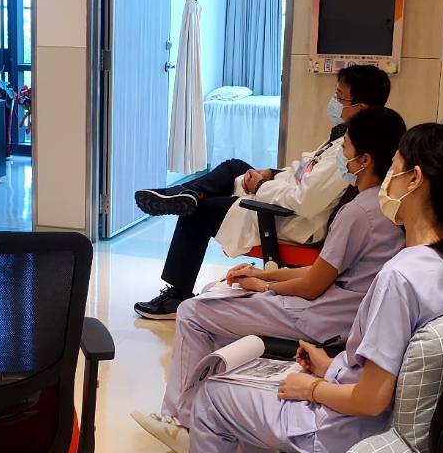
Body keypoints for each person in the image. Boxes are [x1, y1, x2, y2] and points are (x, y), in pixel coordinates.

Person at [140, 122, 443, 453]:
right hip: (407, 423)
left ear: (415, 180)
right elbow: (403, 370)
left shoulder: (402, 277)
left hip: (353, 428)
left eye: (395, 166)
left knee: (214, 396)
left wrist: (312, 387)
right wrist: (332, 367)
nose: (387, 179)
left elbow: (369, 399)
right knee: (254, 381)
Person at [131, 106, 408, 453]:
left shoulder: (358, 213)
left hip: (321, 315)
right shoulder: (384, 209)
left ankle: (181, 419)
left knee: (193, 311)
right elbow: (324, 271)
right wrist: (263, 273)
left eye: (346, 149)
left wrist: (265, 286)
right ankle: (210, 421)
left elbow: (313, 284)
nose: (341, 155)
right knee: (217, 296)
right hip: (336, 308)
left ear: (364, 160)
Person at [132, 64, 392, 320]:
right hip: (286, 198)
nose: (333, 102)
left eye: (339, 97)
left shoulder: (346, 153)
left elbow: (304, 201)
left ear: (361, 107)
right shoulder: (343, 138)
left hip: (290, 219)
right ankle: (187, 193)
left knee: (199, 213)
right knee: (234, 166)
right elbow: (305, 170)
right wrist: (270, 173)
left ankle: (177, 294)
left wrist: (260, 186)